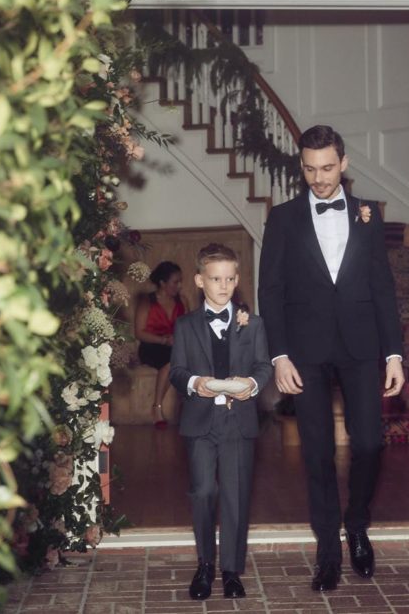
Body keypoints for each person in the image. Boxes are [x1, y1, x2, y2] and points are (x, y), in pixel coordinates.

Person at [258, 124, 405, 592]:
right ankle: (327, 548)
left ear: (343, 163)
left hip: (363, 349)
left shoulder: (369, 215)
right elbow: (271, 291)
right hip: (306, 353)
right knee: (317, 453)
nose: (319, 178)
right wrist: (278, 355)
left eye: (327, 168)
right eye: (309, 169)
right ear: (301, 166)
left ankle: (357, 523)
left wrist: (395, 354)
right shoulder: (282, 219)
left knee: (369, 445)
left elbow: (382, 287)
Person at [169, 243, 272, 600]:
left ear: (238, 280)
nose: (223, 286)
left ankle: (231, 570)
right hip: (199, 421)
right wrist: (194, 383)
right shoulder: (185, 325)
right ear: (199, 280)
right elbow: (177, 371)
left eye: (230, 279)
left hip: (238, 422)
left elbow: (263, 366)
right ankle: (204, 565)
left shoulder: (252, 324)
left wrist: (253, 384)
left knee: (235, 495)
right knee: (203, 491)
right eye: (215, 279)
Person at [134, 260, 189, 428]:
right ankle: (156, 408)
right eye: (175, 282)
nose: (179, 286)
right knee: (172, 362)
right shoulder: (147, 302)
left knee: (178, 359)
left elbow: (188, 327)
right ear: (163, 283)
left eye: (180, 281)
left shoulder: (182, 301)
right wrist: (164, 340)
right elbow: (139, 332)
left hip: (175, 346)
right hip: (151, 346)